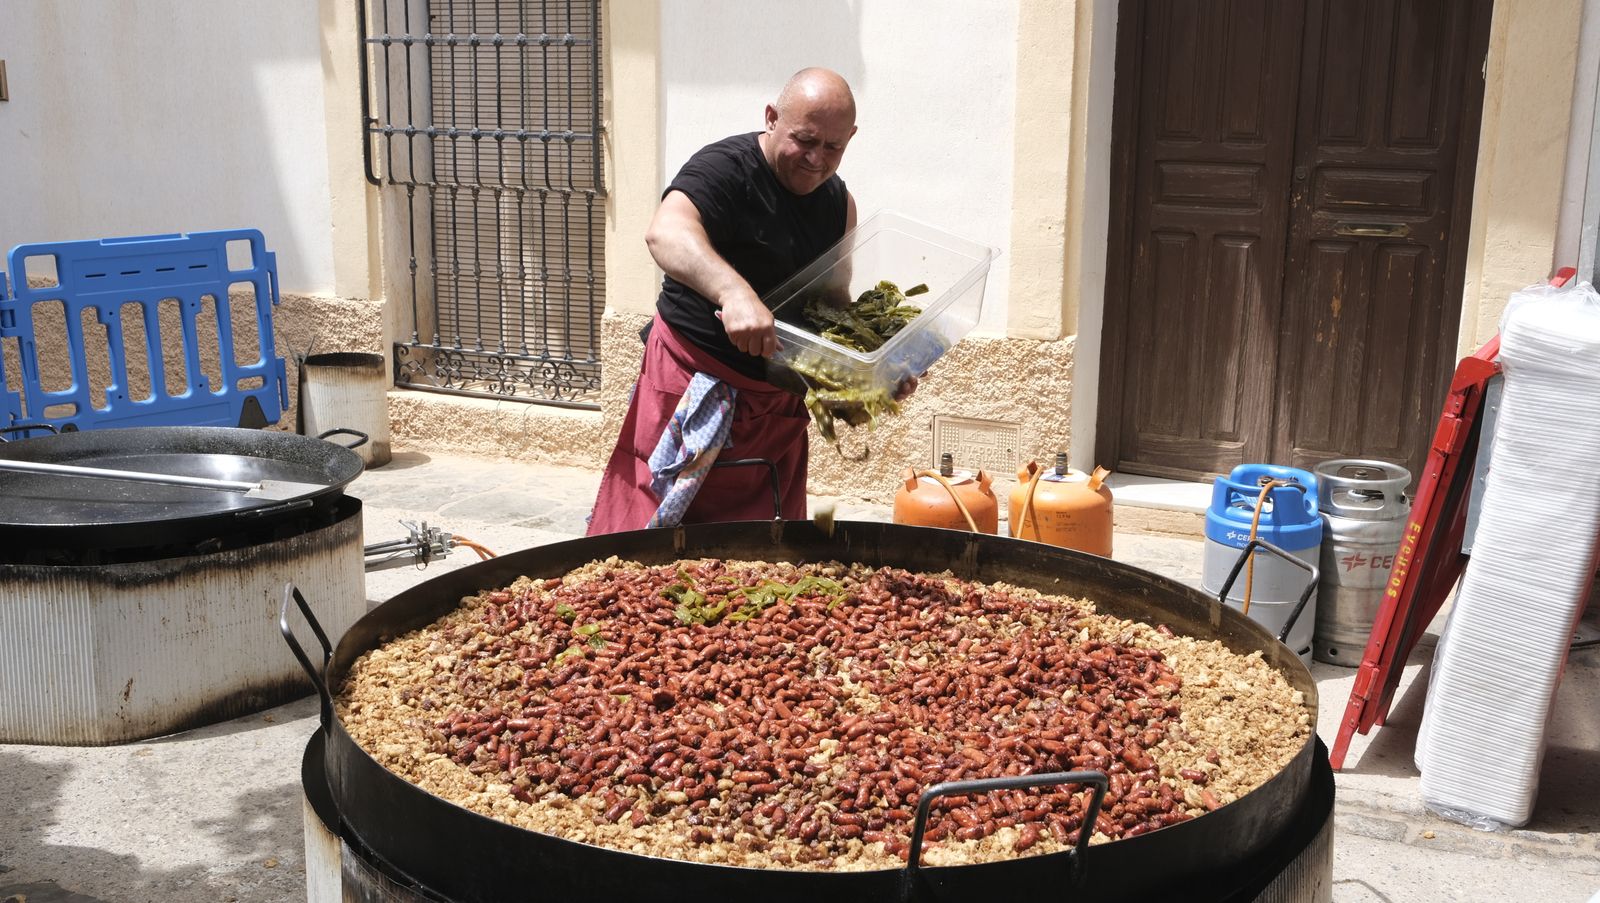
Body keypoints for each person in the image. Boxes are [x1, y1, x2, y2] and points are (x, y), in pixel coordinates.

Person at [586, 67, 862, 535]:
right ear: (772, 117)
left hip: (774, 414)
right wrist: (735, 293)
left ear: (850, 138)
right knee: (657, 548)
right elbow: (666, 232)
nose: (816, 158)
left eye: (832, 147)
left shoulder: (840, 204)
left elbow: (833, 304)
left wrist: (870, 375)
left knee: (762, 558)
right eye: (804, 140)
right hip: (694, 389)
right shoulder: (723, 168)